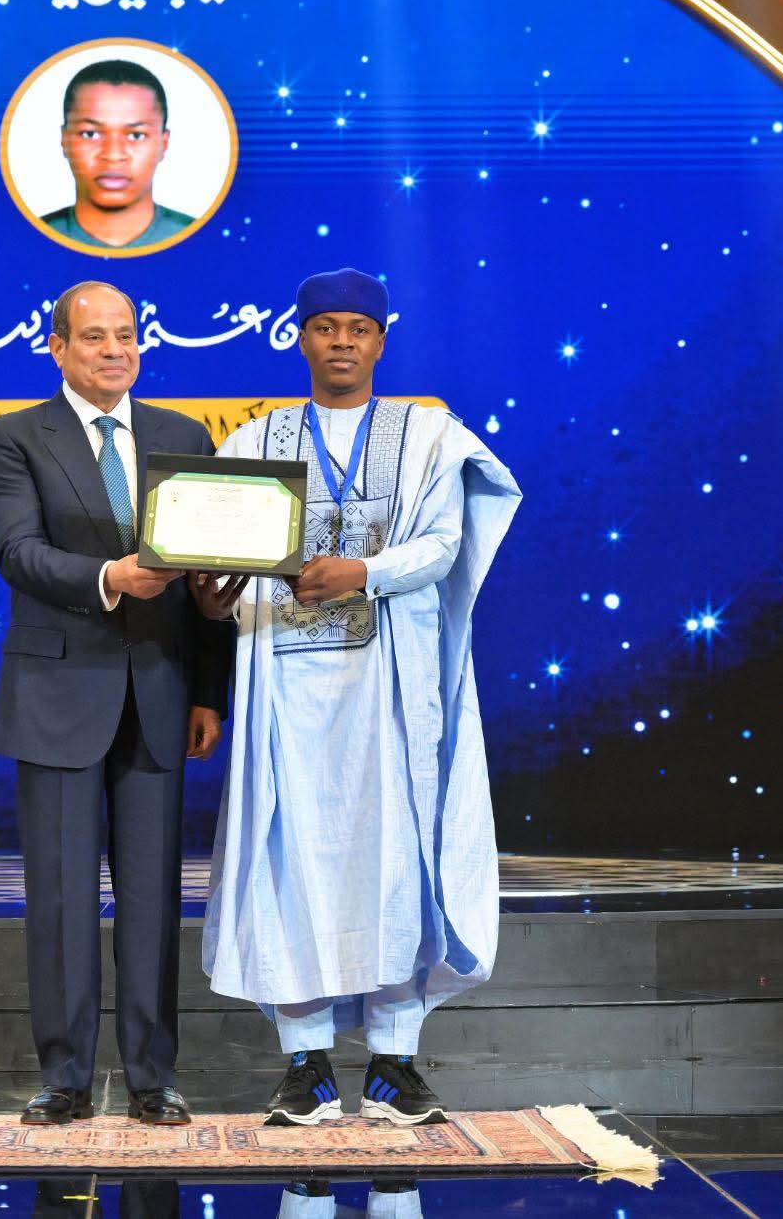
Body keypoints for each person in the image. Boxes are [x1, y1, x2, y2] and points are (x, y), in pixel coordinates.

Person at [194, 267, 522, 1127]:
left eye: (358, 328)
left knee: (394, 862)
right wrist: (207, 588)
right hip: (283, 695)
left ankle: (392, 1062)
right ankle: (303, 1063)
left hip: (390, 692)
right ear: (300, 337)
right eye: (325, 327)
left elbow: (444, 545)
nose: (341, 341)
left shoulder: (429, 436)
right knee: (289, 859)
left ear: (382, 339)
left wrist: (362, 571)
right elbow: (215, 569)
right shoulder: (253, 442)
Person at [0, 280, 230, 1126]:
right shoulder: (14, 437)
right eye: (94, 337)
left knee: (153, 900)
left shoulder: (183, 436)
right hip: (58, 696)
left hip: (160, 693)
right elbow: (18, 553)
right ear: (58, 347)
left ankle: (155, 1077)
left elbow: (208, 581)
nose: (114, 350)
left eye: (125, 334)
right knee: (60, 898)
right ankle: (65, 1076)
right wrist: (110, 577)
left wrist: (208, 691)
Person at [42, 59, 195, 249]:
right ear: (65, 140)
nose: (113, 155)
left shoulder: (205, 242)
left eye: (136, 135)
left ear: (163, 144)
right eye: (90, 134)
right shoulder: (23, 242)